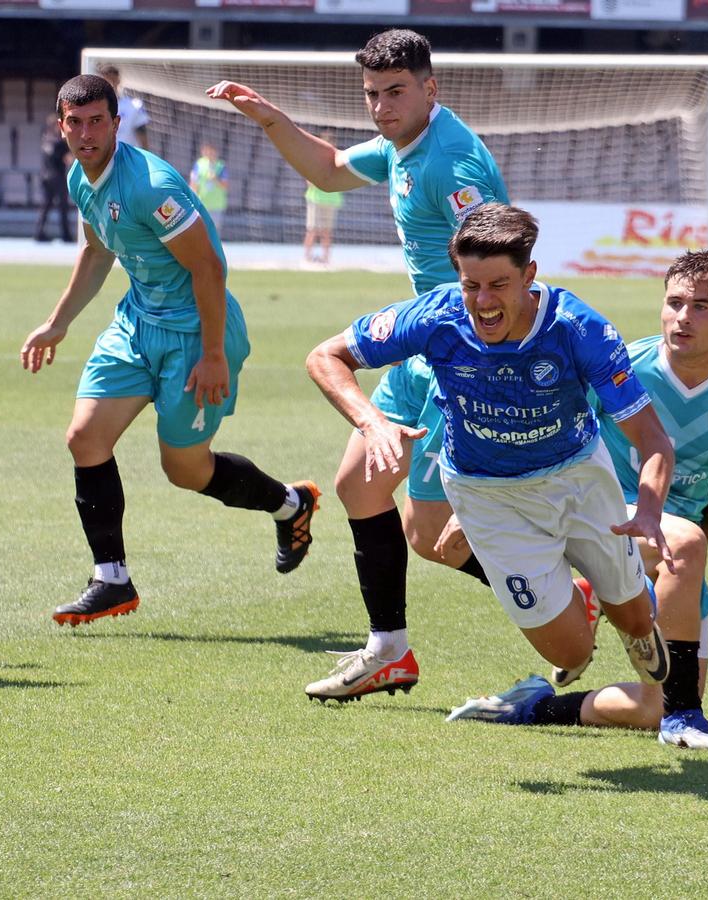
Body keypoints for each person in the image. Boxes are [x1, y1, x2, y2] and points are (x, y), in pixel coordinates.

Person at [209, 29, 510, 701]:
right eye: (371, 94)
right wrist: (269, 119)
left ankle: (563, 594)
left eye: (395, 92)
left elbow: (502, 264)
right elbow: (330, 169)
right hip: (422, 347)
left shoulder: (452, 163)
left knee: (429, 535)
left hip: (459, 355)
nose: (380, 107)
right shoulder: (407, 144)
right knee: (360, 487)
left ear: (430, 89)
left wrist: (482, 357)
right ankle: (389, 652)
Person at [308, 204, 676, 700]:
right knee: (567, 653)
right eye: (470, 285)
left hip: (577, 476)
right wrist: (371, 421)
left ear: (529, 276)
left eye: (498, 285)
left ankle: (633, 622)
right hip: (485, 495)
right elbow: (326, 356)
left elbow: (652, 439)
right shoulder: (437, 316)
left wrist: (650, 509)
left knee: (633, 615)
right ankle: (580, 607)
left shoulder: (577, 328)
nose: (482, 302)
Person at [20, 75, 319, 627]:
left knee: (184, 470)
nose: (85, 133)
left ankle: (290, 504)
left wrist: (212, 355)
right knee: (85, 438)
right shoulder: (80, 180)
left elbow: (208, 267)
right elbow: (94, 252)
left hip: (197, 335)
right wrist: (56, 323)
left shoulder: (151, 186)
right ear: (61, 126)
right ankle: (111, 579)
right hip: (137, 323)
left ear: (116, 123)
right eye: (74, 122)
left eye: (96, 121)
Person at [448, 251, 708, 751]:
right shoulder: (622, 364)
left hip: (668, 549)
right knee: (684, 549)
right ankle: (684, 718)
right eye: (674, 302)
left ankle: (530, 705)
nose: (683, 317)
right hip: (596, 514)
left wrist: (679, 561)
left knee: (650, 707)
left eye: (702, 307)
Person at [302, 131, 343, 265]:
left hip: (331, 199)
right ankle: (306, 257)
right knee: (312, 229)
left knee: (326, 231)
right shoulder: (314, 158)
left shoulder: (338, 158)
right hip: (315, 198)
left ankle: (326, 258)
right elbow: (309, 180)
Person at [35, 118, 74, 243]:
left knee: (45, 207)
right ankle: (66, 235)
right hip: (58, 177)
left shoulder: (44, 140)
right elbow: (69, 159)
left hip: (46, 176)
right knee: (63, 207)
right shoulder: (60, 143)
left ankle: (39, 232)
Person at [97, 64, 149, 150]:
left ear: (118, 80)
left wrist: (145, 157)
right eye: (107, 81)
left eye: (113, 80)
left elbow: (142, 134)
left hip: (127, 158)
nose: (111, 84)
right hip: (102, 158)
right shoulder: (94, 107)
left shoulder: (134, 106)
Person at [189, 142, 229, 236]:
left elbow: (225, 186)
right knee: (200, 227)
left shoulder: (221, 165)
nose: (210, 154)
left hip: (216, 203)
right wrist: (193, 199)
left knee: (215, 228)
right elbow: (193, 183)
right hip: (202, 202)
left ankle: (215, 248)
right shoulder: (199, 165)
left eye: (212, 152)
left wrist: (214, 179)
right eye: (207, 152)